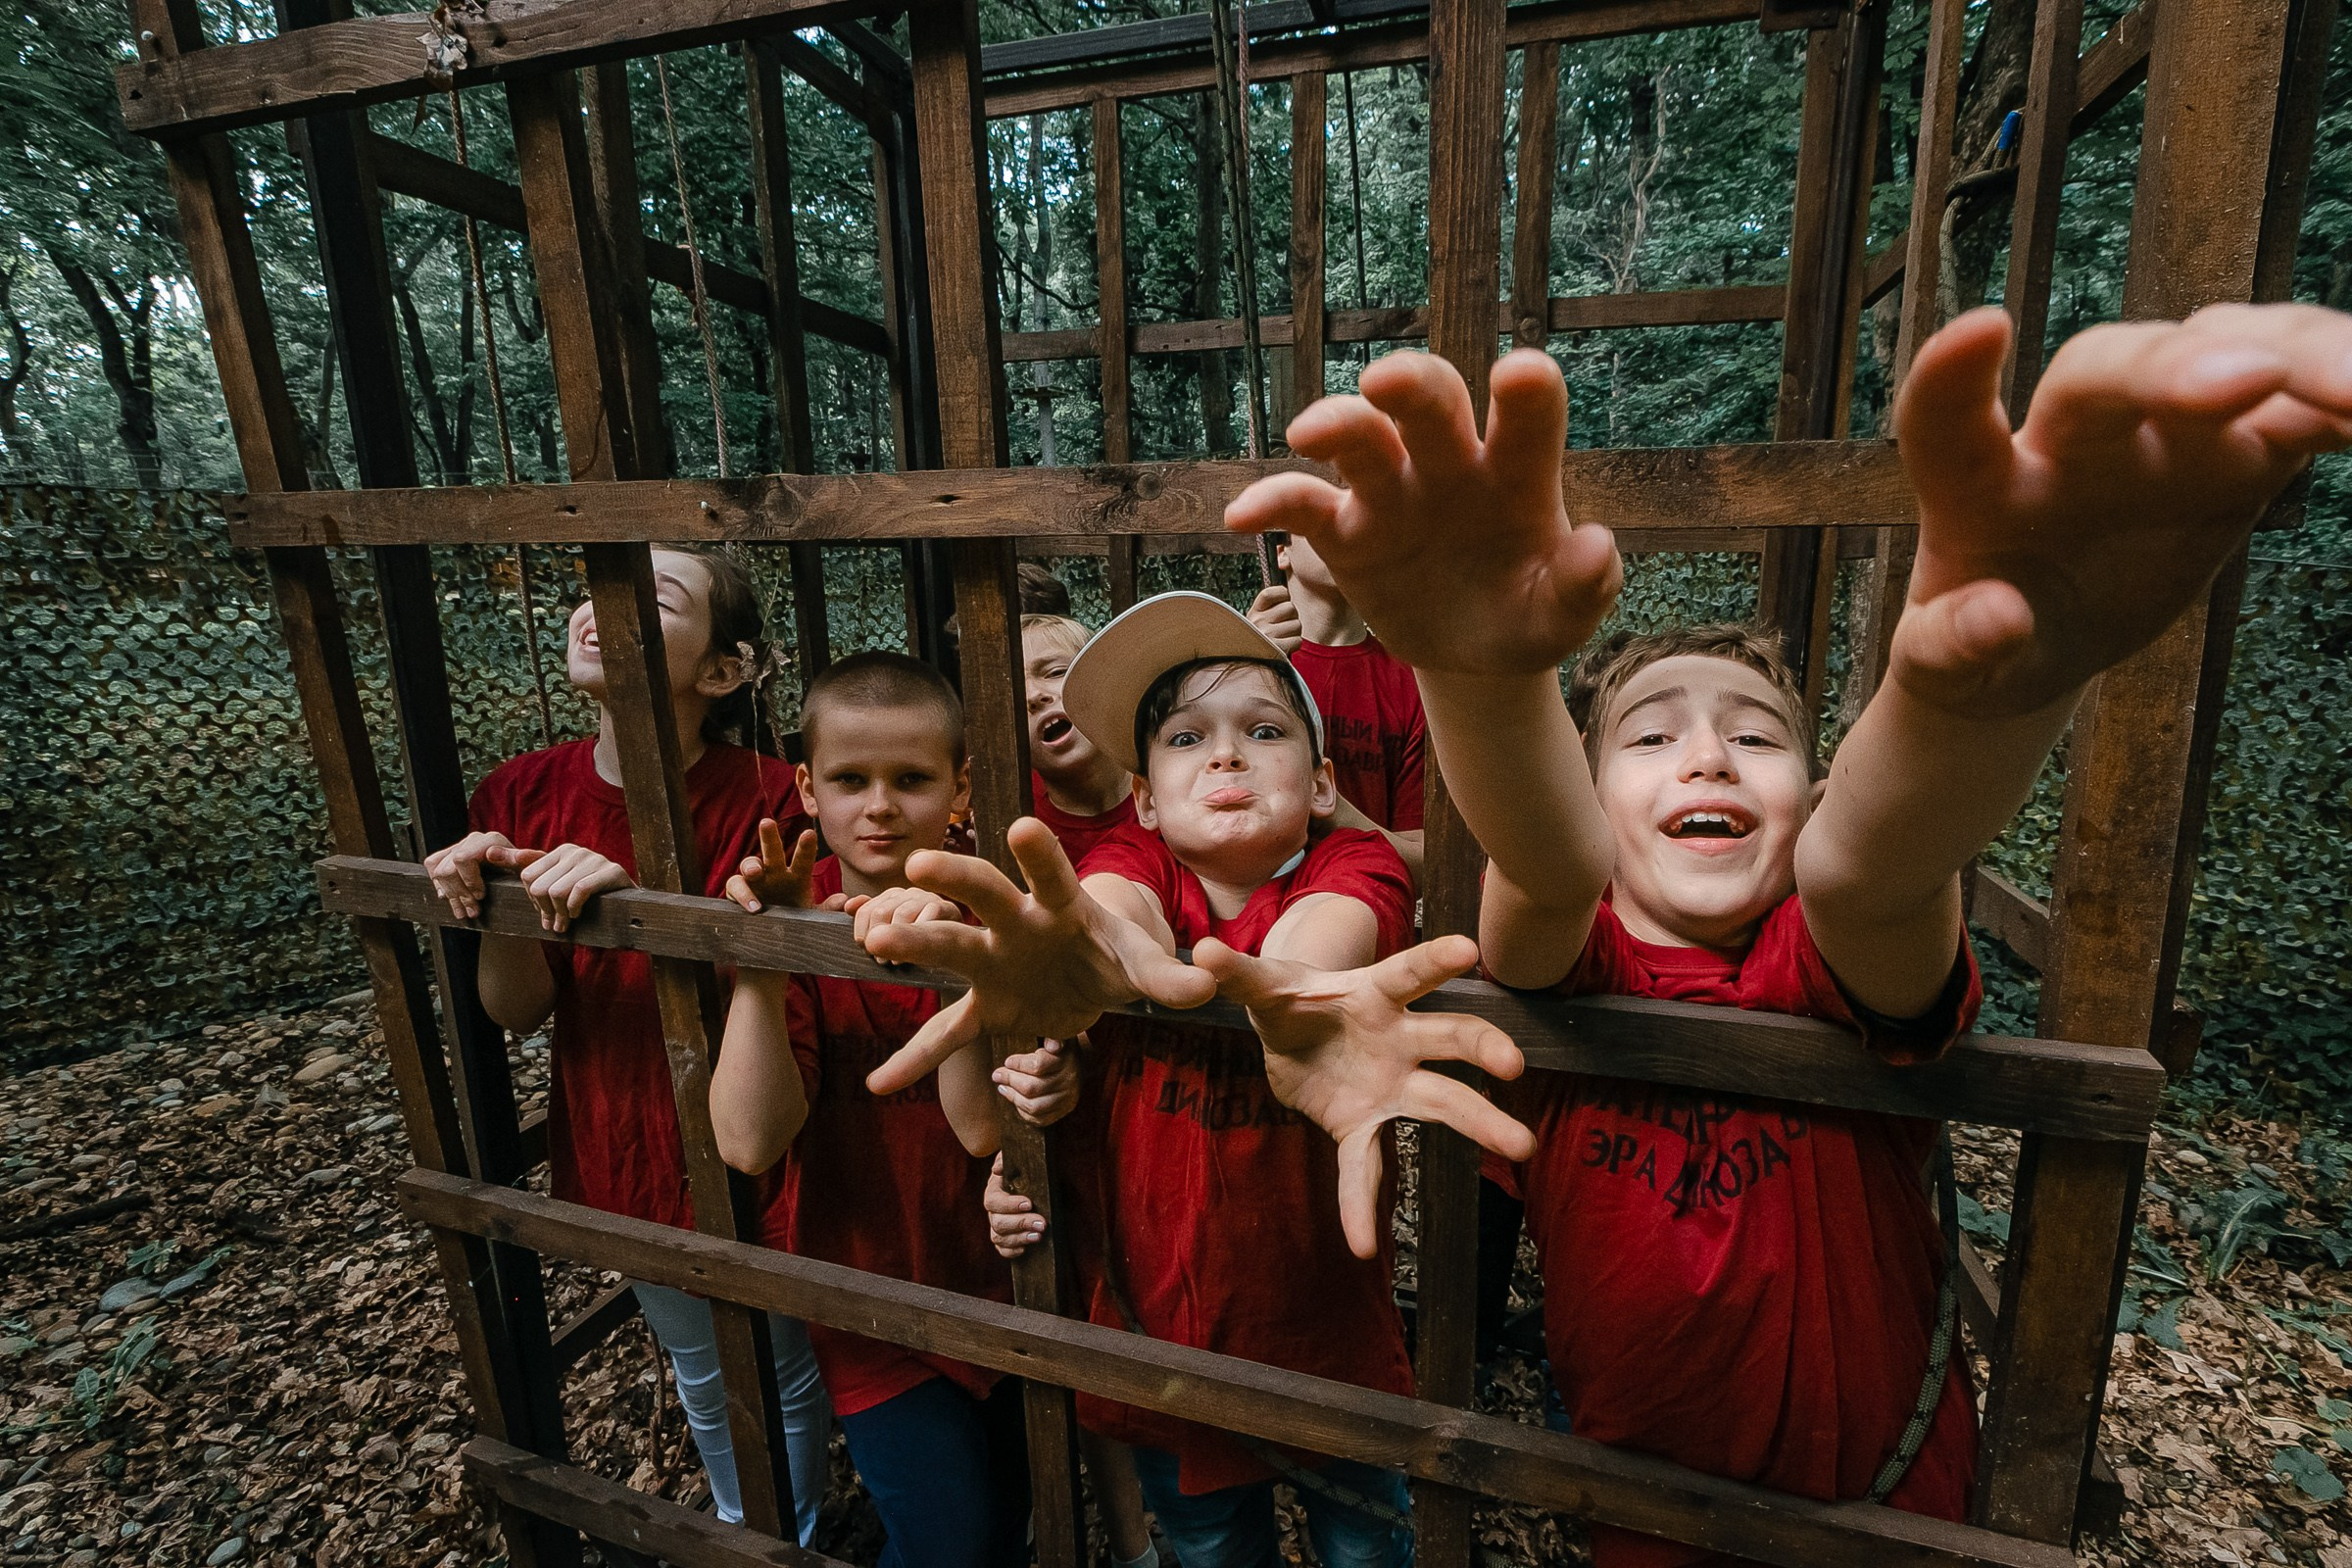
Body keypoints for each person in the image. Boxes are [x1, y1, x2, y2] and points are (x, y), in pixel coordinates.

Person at [1221, 304, 2352, 1563]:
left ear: (1810, 794)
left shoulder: (1821, 959)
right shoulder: (1576, 954)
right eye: (1650, 735)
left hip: (1886, 1517)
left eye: (1756, 735)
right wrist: (1479, 679)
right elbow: (1542, 873)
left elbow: (1877, 868)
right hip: (1640, 1516)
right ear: (1593, 794)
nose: (1707, 750)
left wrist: (1981, 704)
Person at [860, 591, 1535, 1568]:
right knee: (1212, 1548)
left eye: (1263, 729)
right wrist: (1078, 993)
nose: (1224, 753)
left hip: (1327, 1335)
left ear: (1320, 783)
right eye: (1185, 737)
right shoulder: (1132, 859)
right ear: (1142, 796)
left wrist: (1291, 986)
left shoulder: (1350, 859)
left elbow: (1327, 933)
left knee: (1371, 1544)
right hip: (1164, 1332)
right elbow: (1108, 914)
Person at [419, 546, 834, 1543]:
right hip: (624, 1122)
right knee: (701, 1355)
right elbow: (514, 1010)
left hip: (762, 1115)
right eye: (591, 589)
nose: (593, 611)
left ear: (724, 671)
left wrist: (640, 900)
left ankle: (795, 1529)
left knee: (783, 1349)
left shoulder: (781, 797)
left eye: (647, 597)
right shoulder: (518, 792)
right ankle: (750, 1520)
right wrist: (503, 894)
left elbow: (798, 977)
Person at [708, 650, 1078, 1568]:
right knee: (947, 1540)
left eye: (911, 780)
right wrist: (768, 958)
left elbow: (981, 1127)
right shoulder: (795, 920)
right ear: (806, 787)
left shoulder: (1002, 909)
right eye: (850, 780)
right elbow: (750, 1143)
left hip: (1010, 1279)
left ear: (960, 790)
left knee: (1016, 1519)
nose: (878, 805)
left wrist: (954, 952)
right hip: (868, 1292)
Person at [1247, 533, 1425, 884]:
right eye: (1317, 517)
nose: (1343, 529)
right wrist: (1237, 665)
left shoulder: (1412, 686)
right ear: (1282, 550)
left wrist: (1330, 808)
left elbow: (1423, 865)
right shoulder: (1233, 662)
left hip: (1363, 902)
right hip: (1244, 916)